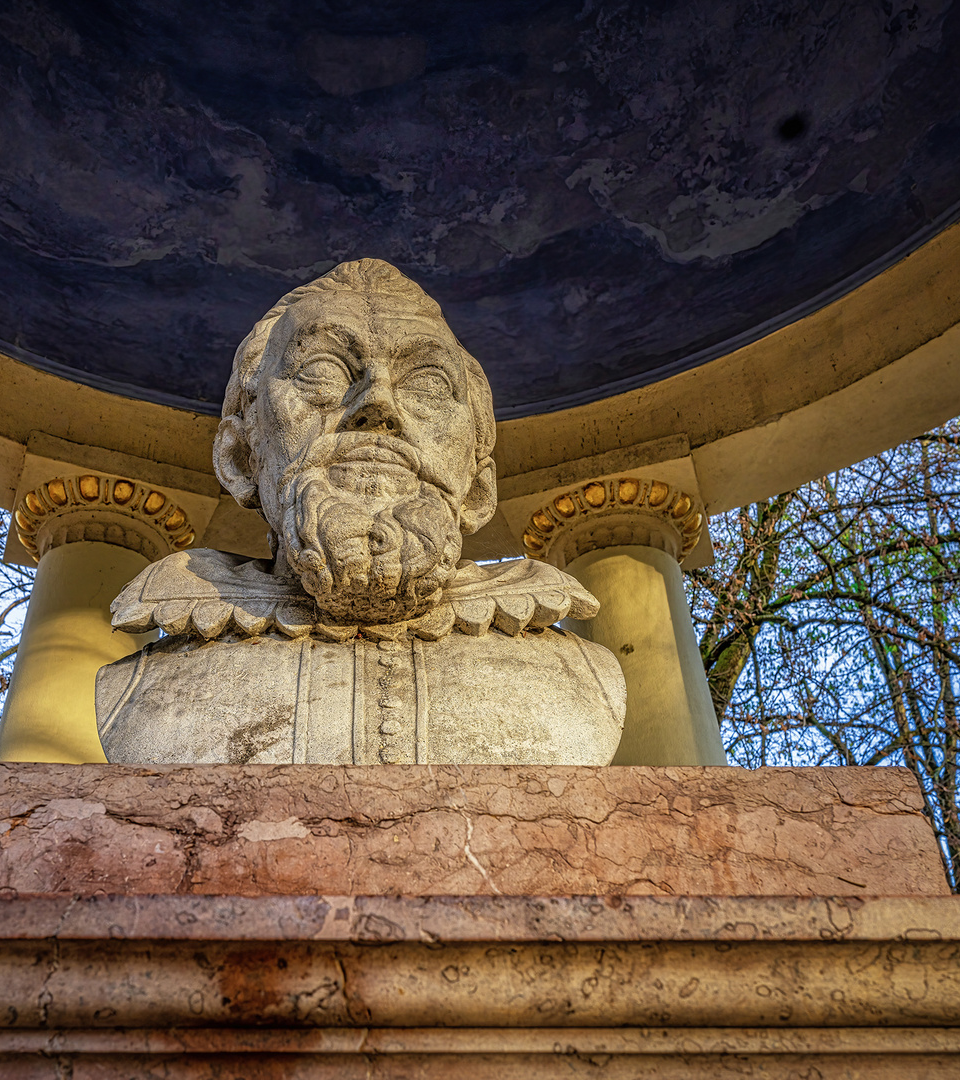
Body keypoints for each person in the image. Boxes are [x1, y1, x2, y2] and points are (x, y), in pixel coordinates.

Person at [95, 259, 624, 764]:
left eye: (427, 384)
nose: (378, 405)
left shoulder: (582, 677)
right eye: (322, 372)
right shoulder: (143, 688)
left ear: (479, 487)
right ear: (238, 458)